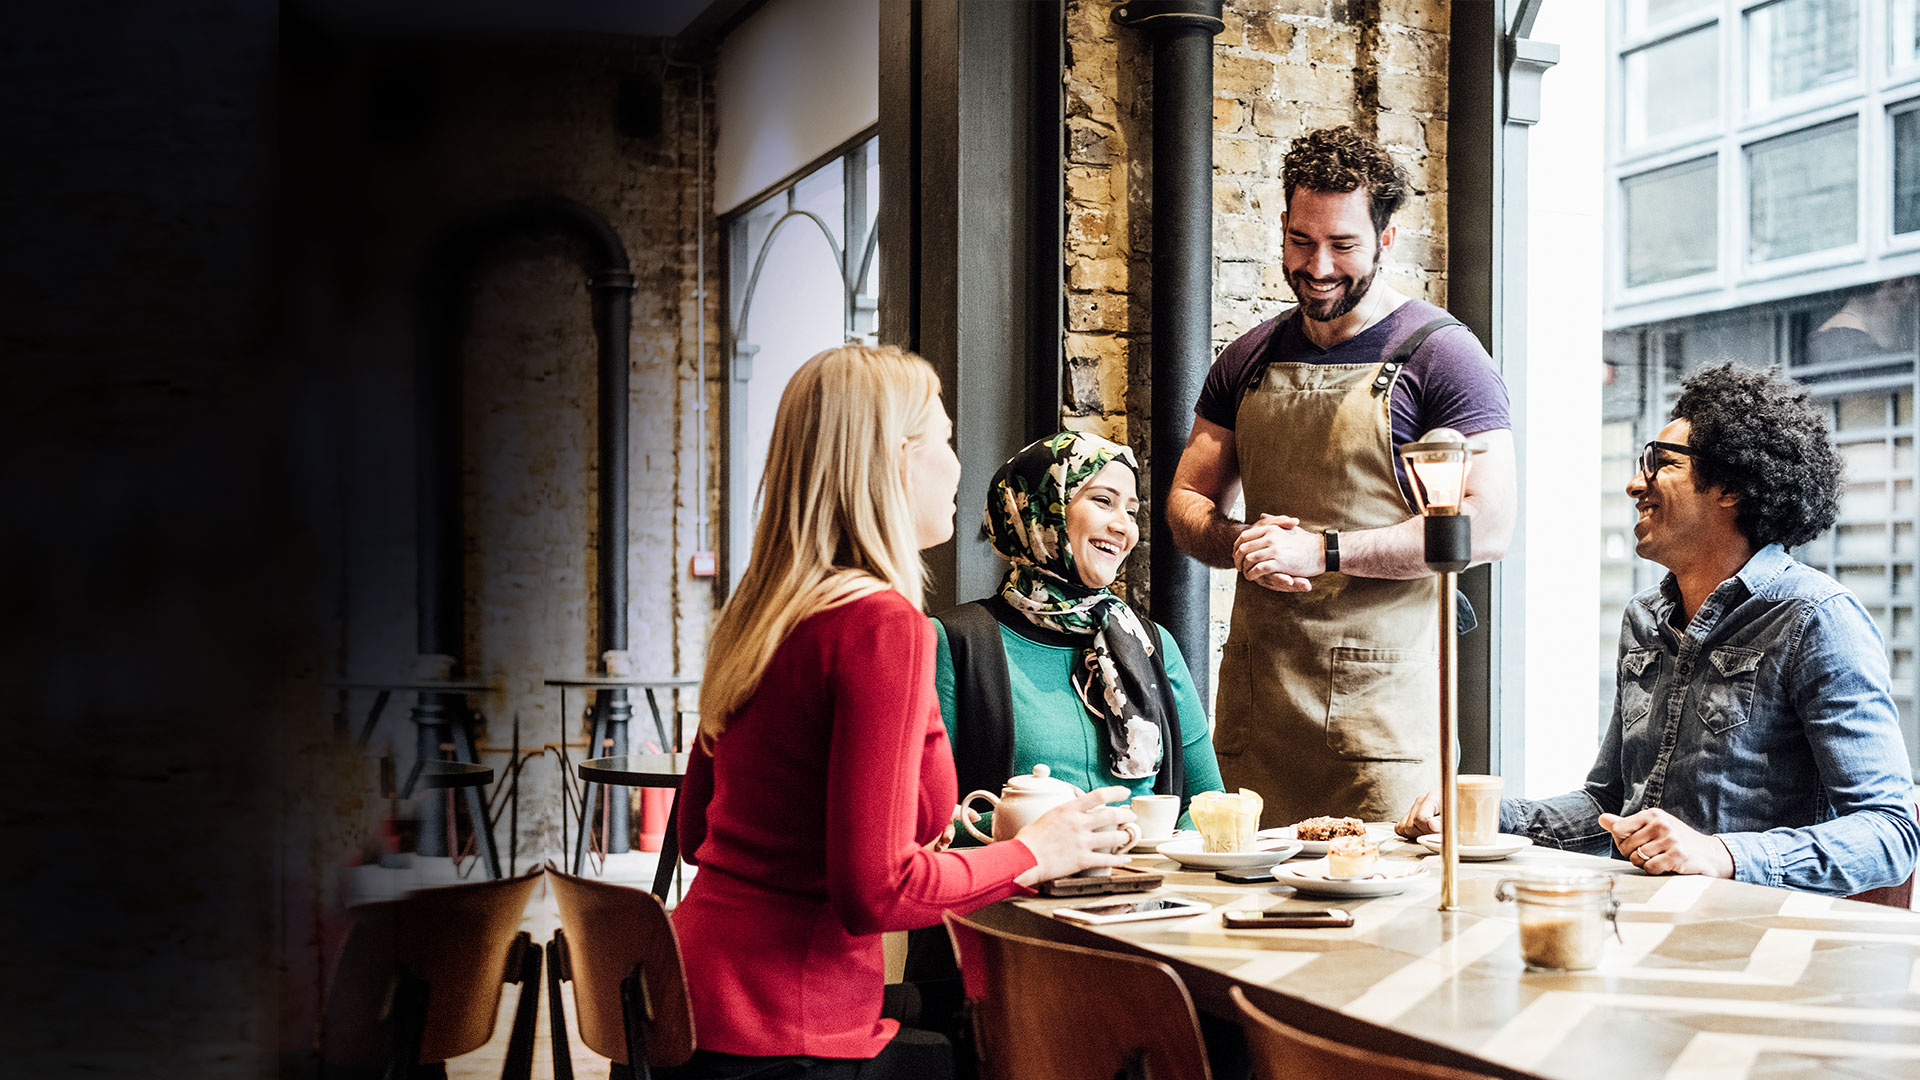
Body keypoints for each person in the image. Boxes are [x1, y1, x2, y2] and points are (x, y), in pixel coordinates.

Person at [668, 344, 1138, 1080]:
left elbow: (698, 835)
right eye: (944, 440)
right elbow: (877, 891)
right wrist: (1037, 853)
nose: (958, 467)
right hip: (791, 1040)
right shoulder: (881, 625)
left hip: (684, 1013)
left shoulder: (760, 614)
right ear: (895, 458)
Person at [1398, 364, 1919, 897]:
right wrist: (1485, 816)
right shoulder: (1644, 618)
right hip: (1640, 918)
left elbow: (1891, 833)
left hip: (1755, 929)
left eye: (1661, 463)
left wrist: (1722, 854)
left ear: (1731, 486)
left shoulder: (1817, 617)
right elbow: (1607, 806)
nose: (1633, 484)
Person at [1166, 125, 1516, 826]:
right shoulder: (1248, 358)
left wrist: (1323, 551)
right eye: (1301, 241)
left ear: (1386, 240)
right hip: (1260, 711)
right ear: (1283, 227)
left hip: (1382, 724)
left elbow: (1487, 528)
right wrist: (1239, 542)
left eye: (1343, 245)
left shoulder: (1443, 358)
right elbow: (1186, 499)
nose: (1318, 266)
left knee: (1383, 893)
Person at [934, 431, 1223, 831]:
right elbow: (921, 827)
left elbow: (1208, 805)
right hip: (1021, 874)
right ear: (1038, 508)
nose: (1124, 528)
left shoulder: (1153, 644)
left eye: (1132, 511)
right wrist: (1026, 827)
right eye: (1103, 501)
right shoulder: (955, 642)